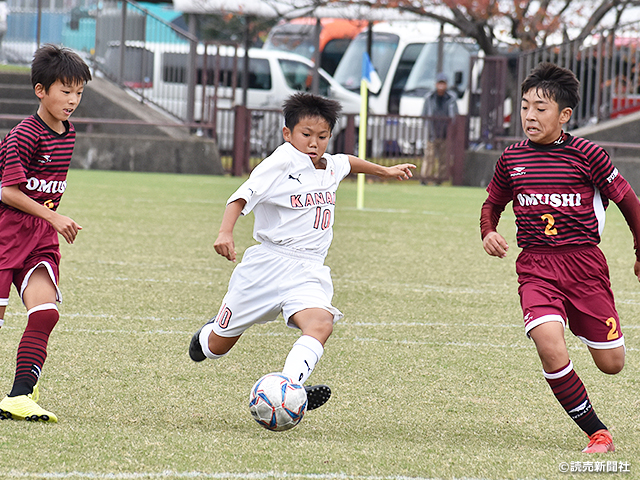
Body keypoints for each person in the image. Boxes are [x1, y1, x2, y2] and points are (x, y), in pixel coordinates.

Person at [189, 92, 415, 410]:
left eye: (322, 136)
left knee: (322, 324)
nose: (314, 143)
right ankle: (207, 333)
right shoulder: (281, 163)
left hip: (308, 270)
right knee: (215, 347)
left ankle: (290, 387)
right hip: (266, 267)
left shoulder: (330, 165)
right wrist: (225, 232)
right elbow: (240, 197)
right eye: (306, 135)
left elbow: (347, 162)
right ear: (288, 134)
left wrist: (385, 171)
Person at [480, 62, 640, 453]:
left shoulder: (589, 155)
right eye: (524, 107)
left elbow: (629, 202)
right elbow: (492, 204)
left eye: (540, 108)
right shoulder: (512, 159)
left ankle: (587, 328)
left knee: (612, 363)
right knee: (549, 346)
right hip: (536, 267)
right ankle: (597, 433)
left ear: (564, 115)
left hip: (585, 266)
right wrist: (488, 231)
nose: (529, 116)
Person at [0, 44, 92, 422]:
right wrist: (54, 217)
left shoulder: (67, 133)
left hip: (38, 238)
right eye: (65, 91)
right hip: (5, 235)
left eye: (79, 93)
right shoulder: (24, 134)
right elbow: (6, 191)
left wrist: (48, 222)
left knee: (44, 313)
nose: (72, 101)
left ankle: (19, 396)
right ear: (41, 90)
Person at [420, 72, 458, 185]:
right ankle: (424, 179)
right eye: (439, 83)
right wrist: (427, 128)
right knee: (429, 157)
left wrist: (452, 130)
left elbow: (455, 115)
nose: (441, 86)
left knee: (443, 159)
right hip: (432, 132)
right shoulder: (429, 98)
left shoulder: (451, 98)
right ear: (435, 84)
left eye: (443, 83)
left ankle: (439, 179)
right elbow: (424, 114)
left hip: (445, 133)